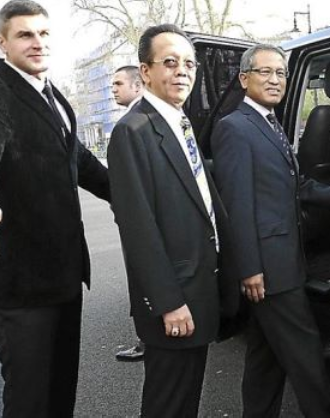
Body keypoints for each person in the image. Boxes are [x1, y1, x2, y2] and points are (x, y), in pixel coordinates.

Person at [0, 0, 111, 418]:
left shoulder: (51, 96)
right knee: (30, 402)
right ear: (2, 42)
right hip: (20, 284)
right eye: (25, 34)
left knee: (60, 394)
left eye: (43, 33)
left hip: (63, 275)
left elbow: (79, 161)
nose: (37, 42)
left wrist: (132, 195)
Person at [211, 44, 330, 418]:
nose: (275, 80)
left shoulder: (269, 122)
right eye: (265, 72)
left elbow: (298, 187)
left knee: (266, 354)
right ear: (244, 78)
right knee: (305, 350)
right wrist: (250, 268)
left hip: (284, 258)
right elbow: (237, 206)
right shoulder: (234, 128)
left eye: (281, 72)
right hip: (269, 268)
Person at [108, 24, 224, 417]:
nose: (182, 72)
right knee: (168, 403)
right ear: (145, 71)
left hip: (200, 287)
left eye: (189, 64)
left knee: (186, 400)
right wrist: (169, 302)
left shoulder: (180, 121)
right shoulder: (132, 131)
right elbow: (137, 227)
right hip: (175, 299)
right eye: (170, 62)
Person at [110, 65, 147, 362]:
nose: (113, 89)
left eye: (118, 83)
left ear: (137, 85)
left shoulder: (133, 123)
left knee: (142, 277)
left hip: (140, 220)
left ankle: (147, 339)